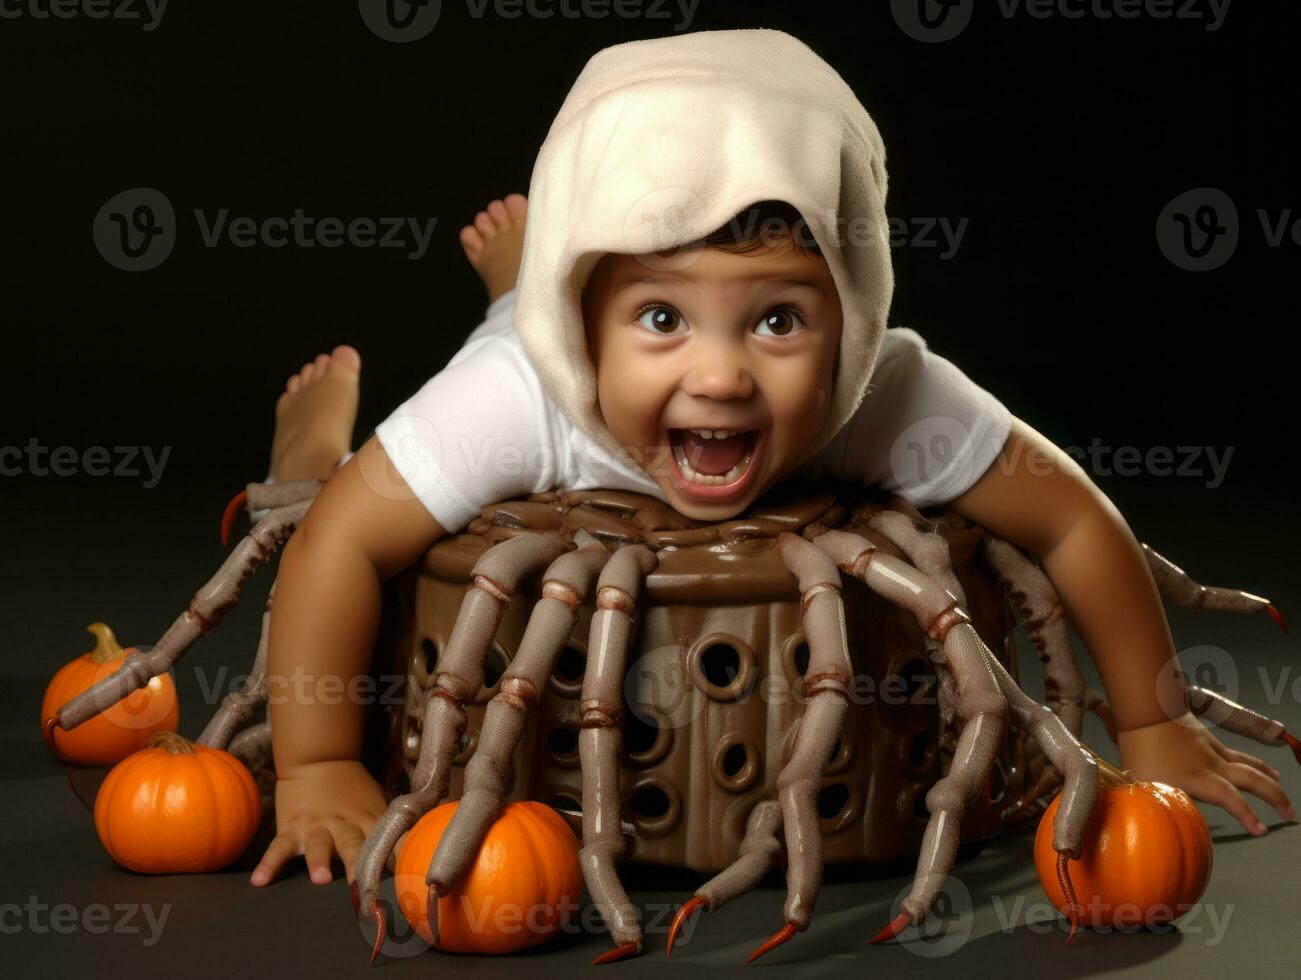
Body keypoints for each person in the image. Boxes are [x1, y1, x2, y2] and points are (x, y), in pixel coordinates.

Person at [248, 30, 1292, 891]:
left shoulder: (882, 392)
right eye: (661, 315)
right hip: (524, 350)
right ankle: (481, 315)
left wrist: (1152, 722)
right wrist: (317, 763)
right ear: (588, 325)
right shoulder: (521, 392)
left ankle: (539, 278)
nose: (720, 375)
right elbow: (337, 542)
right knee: (379, 447)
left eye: (777, 321)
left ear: (851, 310)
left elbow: (1070, 517)